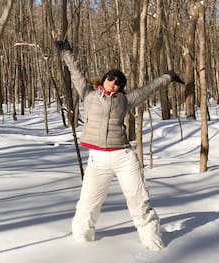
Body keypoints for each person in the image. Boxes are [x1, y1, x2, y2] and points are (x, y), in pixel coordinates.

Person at [54, 39, 184, 251]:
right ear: (104, 79)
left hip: (123, 158)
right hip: (97, 161)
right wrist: (67, 52)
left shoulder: (125, 100)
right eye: (111, 78)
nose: (113, 83)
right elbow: (76, 73)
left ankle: (155, 246)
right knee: (87, 205)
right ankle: (80, 247)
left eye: (118, 82)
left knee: (139, 202)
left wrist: (168, 77)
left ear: (121, 87)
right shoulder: (88, 94)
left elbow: (149, 89)